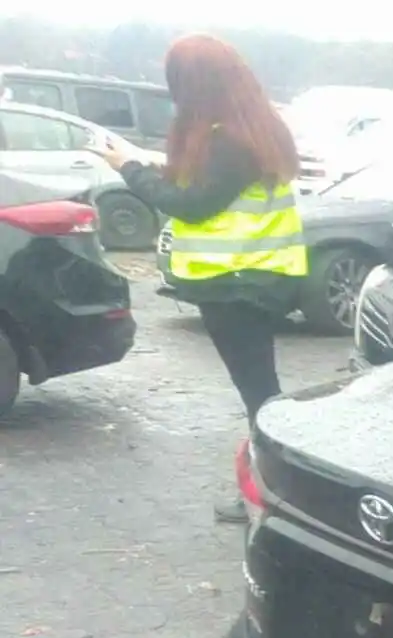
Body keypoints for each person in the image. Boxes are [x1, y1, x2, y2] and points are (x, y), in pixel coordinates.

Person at [92, 35, 306, 523]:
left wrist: (128, 168)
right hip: (253, 278)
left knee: (261, 395)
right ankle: (277, 491)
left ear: (194, 82)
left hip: (238, 283)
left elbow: (192, 203)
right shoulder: (248, 127)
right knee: (261, 390)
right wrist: (145, 161)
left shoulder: (228, 139)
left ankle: (277, 495)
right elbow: (202, 184)